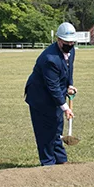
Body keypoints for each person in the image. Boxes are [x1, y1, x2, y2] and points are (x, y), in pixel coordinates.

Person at [24, 22, 78, 166]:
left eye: (72, 42)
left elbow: (68, 69)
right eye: (66, 42)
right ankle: (48, 163)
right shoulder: (50, 59)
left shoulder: (71, 51)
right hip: (40, 97)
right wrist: (65, 107)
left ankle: (60, 160)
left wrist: (69, 85)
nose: (70, 45)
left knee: (57, 127)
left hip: (56, 94)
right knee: (46, 131)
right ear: (58, 40)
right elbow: (52, 86)